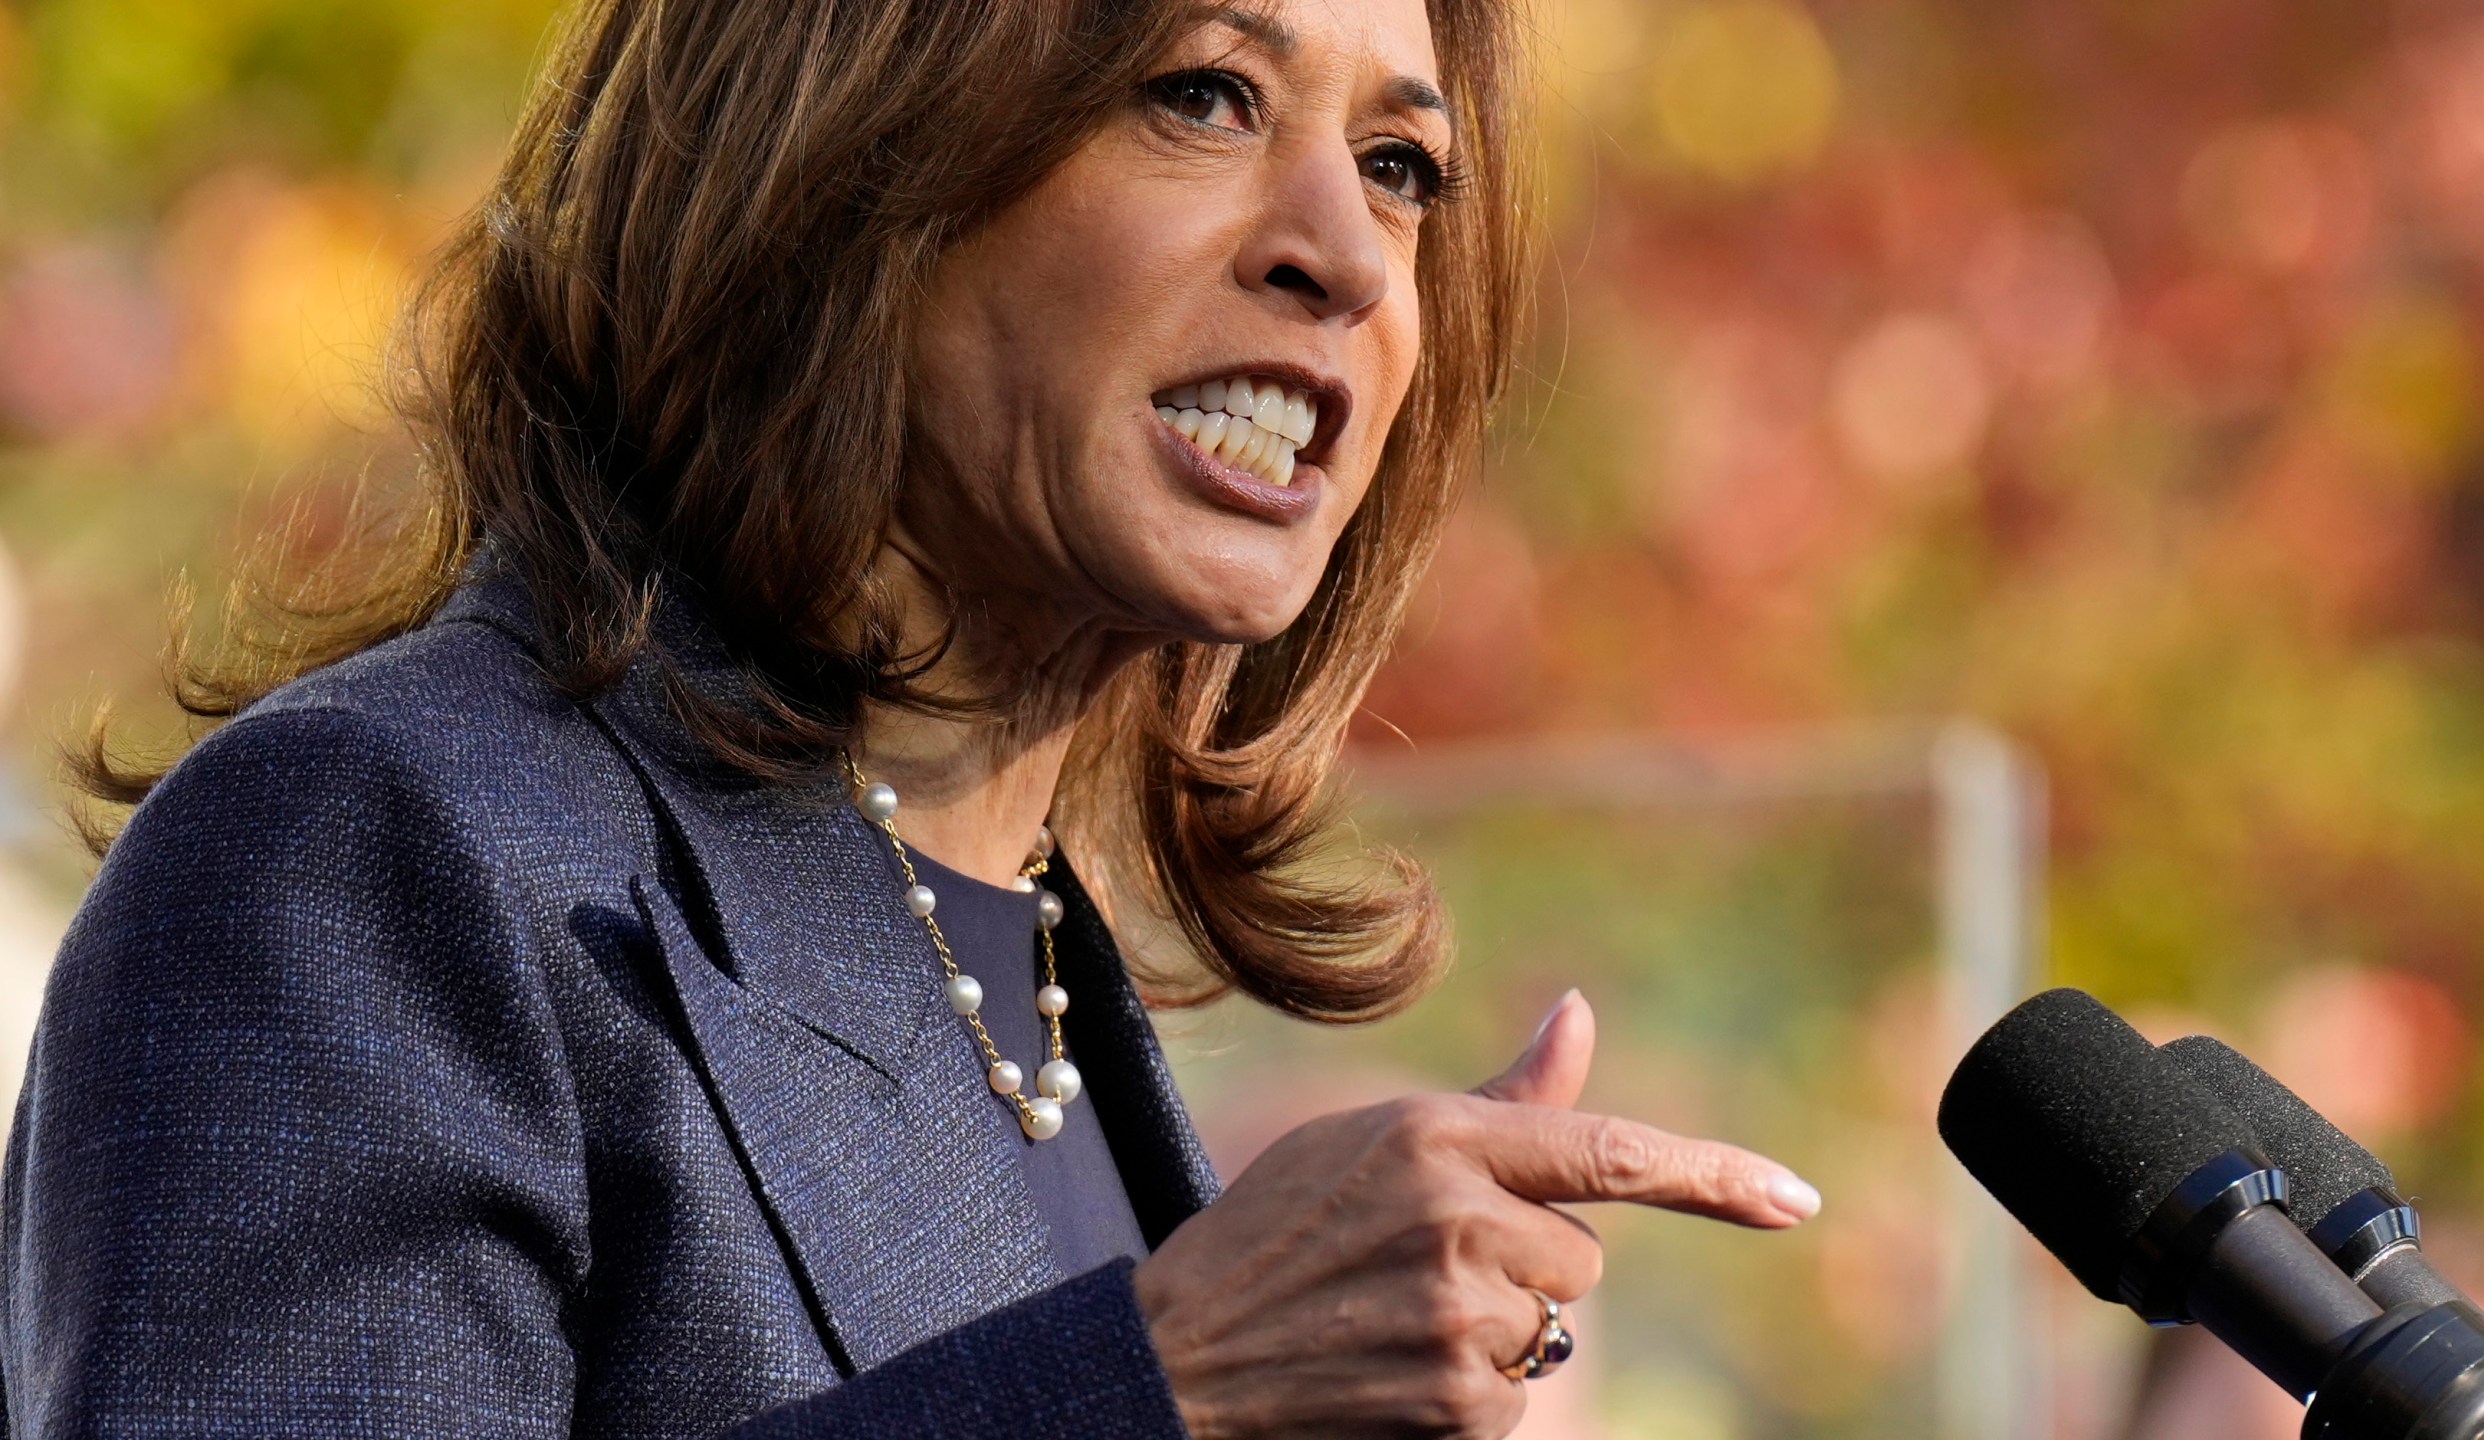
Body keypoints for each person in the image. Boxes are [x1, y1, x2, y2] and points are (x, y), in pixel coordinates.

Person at [2, 0, 1822, 1434]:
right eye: (1201, 92)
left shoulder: (1028, 958)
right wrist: (1161, 1384)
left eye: (1407, 165)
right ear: (842, 150)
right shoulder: (366, 859)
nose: (1345, 253)